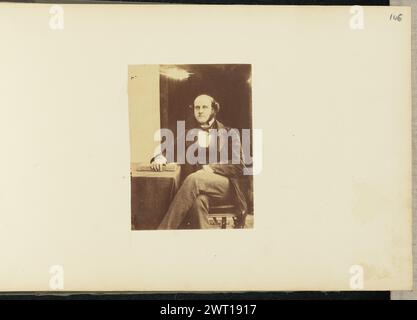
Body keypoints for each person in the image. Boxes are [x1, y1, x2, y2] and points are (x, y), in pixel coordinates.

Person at [151, 94, 250, 229]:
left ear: (213, 110)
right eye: (197, 107)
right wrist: (159, 158)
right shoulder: (187, 134)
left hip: (225, 187)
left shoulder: (230, 133)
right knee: (198, 203)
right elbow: (167, 151)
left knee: (194, 179)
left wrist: (212, 168)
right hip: (197, 190)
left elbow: (239, 166)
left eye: (204, 107)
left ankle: (163, 231)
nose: (200, 111)